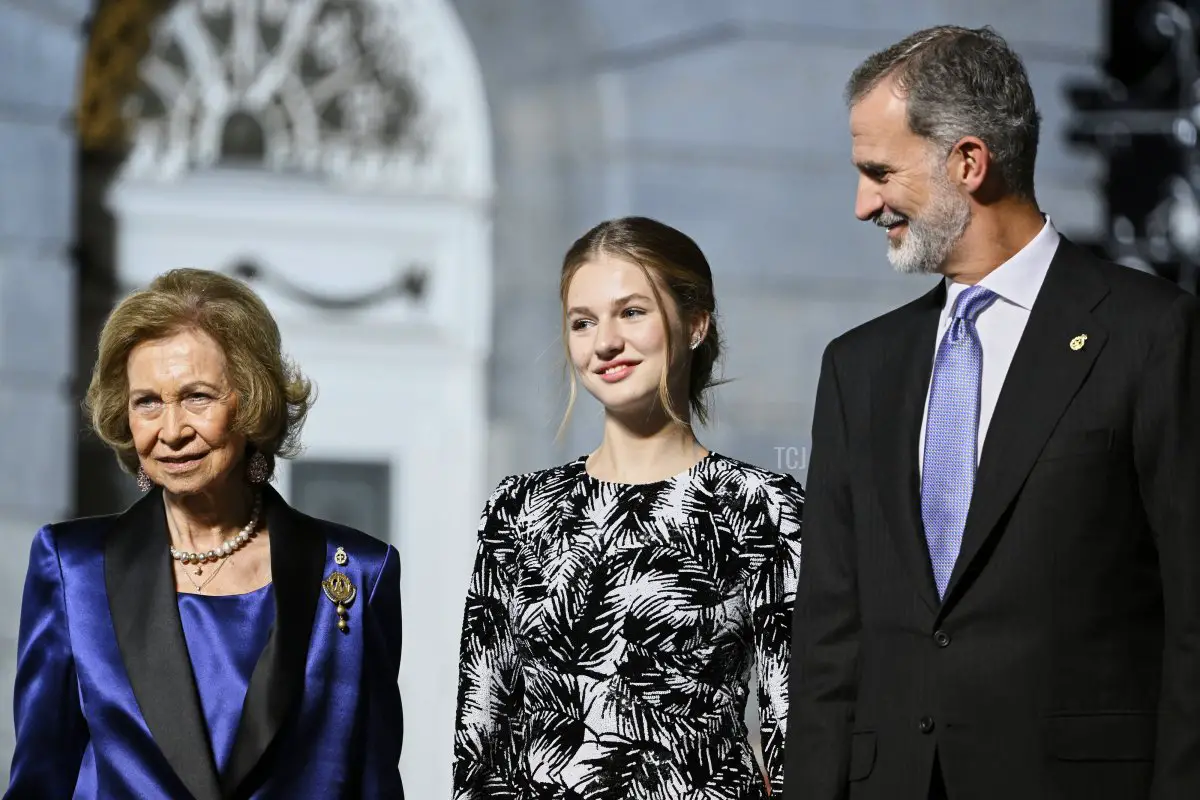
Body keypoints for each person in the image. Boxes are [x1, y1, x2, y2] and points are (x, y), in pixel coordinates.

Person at [784, 24, 1200, 800]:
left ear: (968, 162)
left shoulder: (1151, 334)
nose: (862, 203)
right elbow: (827, 642)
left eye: (879, 172)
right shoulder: (857, 368)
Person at [5, 269, 403, 800]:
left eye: (196, 397)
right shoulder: (71, 570)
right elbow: (38, 783)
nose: (171, 431)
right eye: (147, 402)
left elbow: (374, 784)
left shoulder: (357, 573)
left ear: (253, 400)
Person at [451, 216, 804, 799]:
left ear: (696, 323)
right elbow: (478, 733)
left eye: (631, 312)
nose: (605, 342)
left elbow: (793, 727)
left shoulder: (763, 506)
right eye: (582, 322)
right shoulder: (518, 509)